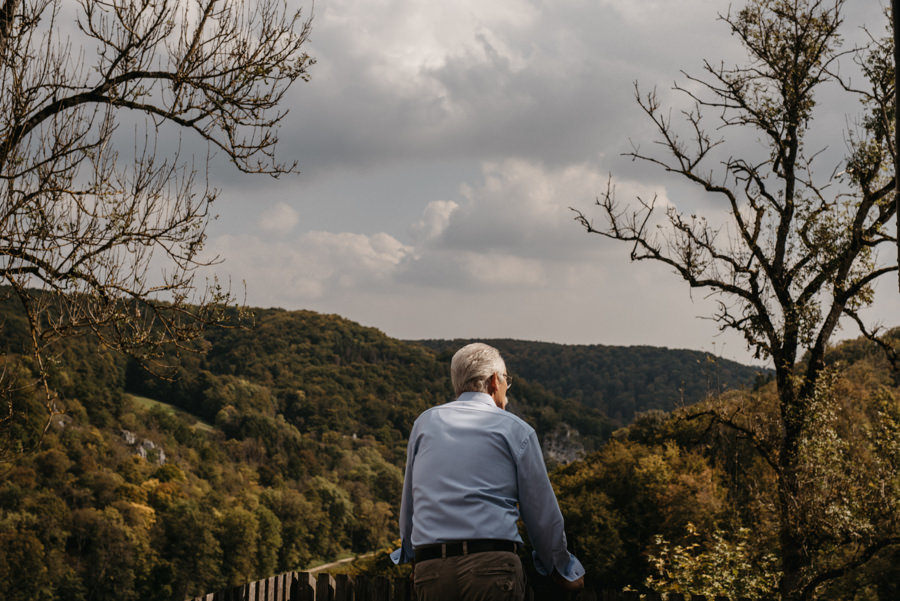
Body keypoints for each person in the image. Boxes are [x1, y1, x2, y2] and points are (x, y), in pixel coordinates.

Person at [390, 342, 585, 600]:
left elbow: (410, 503)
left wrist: (413, 558)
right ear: (494, 381)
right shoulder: (515, 429)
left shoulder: (425, 423)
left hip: (432, 571)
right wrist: (562, 569)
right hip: (491, 569)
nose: (506, 389)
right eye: (506, 381)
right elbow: (541, 513)